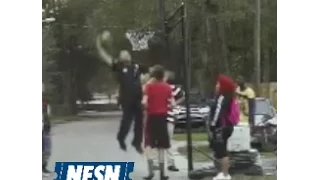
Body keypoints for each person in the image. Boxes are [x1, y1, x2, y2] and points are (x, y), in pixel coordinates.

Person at [96, 33, 148, 153]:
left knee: (139, 122)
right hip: (126, 98)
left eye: (127, 53)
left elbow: (149, 73)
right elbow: (106, 58)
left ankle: (137, 143)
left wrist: (145, 80)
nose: (126, 54)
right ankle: (121, 138)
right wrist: (99, 46)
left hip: (138, 98)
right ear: (120, 58)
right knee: (127, 121)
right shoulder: (118, 66)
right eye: (123, 54)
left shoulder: (137, 66)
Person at [143, 65, 174, 180]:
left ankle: (150, 171)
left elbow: (144, 102)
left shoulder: (149, 87)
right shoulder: (167, 87)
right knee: (162, 146)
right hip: (162, 118)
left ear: (154, 76)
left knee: (148, 144)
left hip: (151, 117)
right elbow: (172, 104)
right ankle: (162, 173)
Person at [210, 75, 237, 180]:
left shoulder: (222, 98)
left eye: (218, 84)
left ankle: (225, 175)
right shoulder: (229, 97)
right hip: (227, 126)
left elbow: (217, 113)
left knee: (222, 152)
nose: (216, 86)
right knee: (221, 150)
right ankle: (223, 173)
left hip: (221, 127)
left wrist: (213, 125)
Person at [164, 71, 184, 171]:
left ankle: (160, 162)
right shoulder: (176, 89)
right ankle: (170, 162)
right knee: (169, 141)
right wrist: (175, 104)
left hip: (162, 116)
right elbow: (182, 97)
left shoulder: (166, 87)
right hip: (170, 116)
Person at [42, 83, 52, 177]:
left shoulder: (45, 103)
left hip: (45, 128)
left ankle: (44, 168)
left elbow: (47, 115)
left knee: (47, 150)